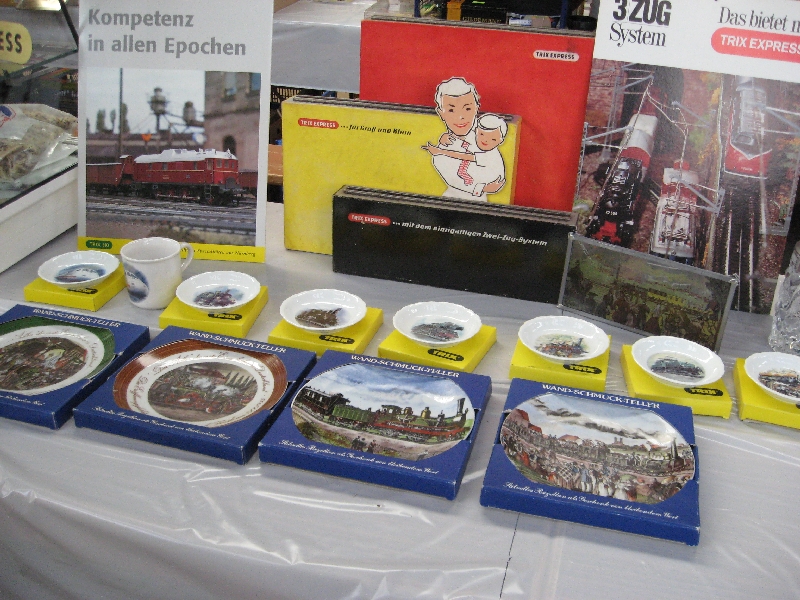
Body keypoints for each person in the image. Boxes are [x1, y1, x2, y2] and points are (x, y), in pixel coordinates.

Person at [428, 77, 505, 199]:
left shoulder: (485, 133)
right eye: (451, 110)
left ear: (476, 108)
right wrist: (482, 188)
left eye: (467, 109)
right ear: (441, 113)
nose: (460, 117)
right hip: (452, 201)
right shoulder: (440, 153)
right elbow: (454, 181)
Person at [423, 113, 507, 199]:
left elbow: (465, 156)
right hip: (452, 194)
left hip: (475, 197)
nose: (485, 140)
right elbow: (463, 137)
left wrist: (440, 151)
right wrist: (447, 136)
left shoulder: (492, 155)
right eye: (481, 134)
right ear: (477, 131)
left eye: (493, 139)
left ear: (500, 140)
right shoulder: (475, 140)